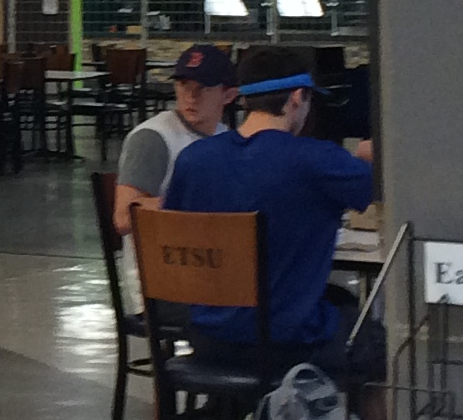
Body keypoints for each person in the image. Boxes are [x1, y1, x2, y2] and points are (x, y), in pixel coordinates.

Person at [158, 44, 380, 390]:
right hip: (289, 339)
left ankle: (226, 415)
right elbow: (380, 193)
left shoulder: (194, 159)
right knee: (380, 344)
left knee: (339, 303)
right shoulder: (319, 160)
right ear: (297, 97)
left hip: (207, 333)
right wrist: (370, 156)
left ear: (244, 98)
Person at [112, 42, 239, 235]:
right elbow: (123, 218)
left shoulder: (226, 136)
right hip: (160, 251)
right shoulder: (153, 138)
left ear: (229, 95)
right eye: (184, 85)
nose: (191, 96)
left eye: (203, 88)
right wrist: (186, 205)